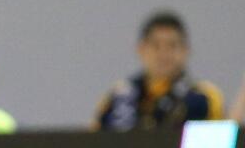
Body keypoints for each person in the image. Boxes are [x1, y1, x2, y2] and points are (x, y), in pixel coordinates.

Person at [94, 11, 224, 131]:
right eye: (156, 46)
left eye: (172, 45)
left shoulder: (203, 97)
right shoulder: (119, 95)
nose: (164, 54)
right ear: (141, 49)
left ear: (186, 50)